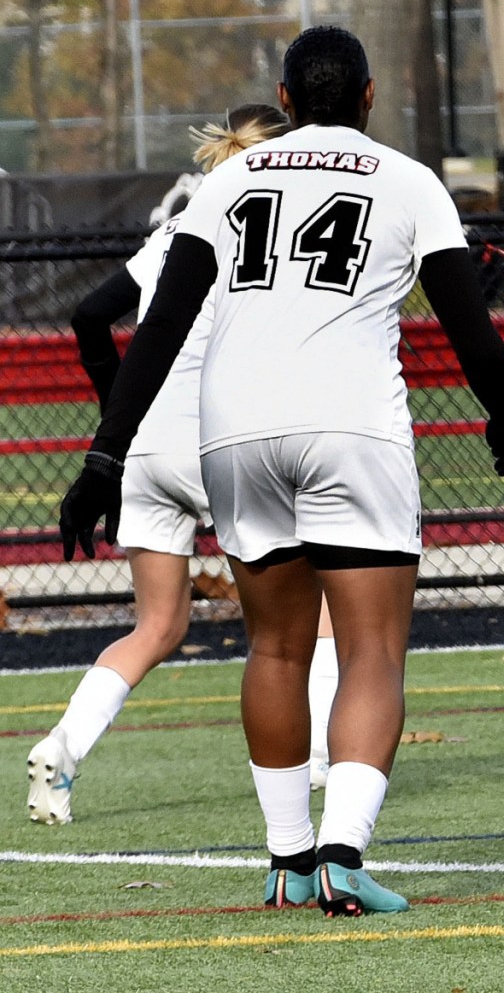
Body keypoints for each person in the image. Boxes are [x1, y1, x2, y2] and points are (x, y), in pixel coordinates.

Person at [57, 25, 504, 916]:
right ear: (369, 95)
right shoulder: (408, 179)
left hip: (235, 433)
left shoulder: (229, 179)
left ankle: (286, 863)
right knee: (371, 650)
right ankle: (344, 856)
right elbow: (466, 317)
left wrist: (104, 453)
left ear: (283, 96)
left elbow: (158, 324)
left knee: (274, 646)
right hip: (350, 426)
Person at [27, 104, 293, 826]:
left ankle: (63, 747)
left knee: (158, 625)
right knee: (306, 616)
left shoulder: (179, 225)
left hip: (141, 446)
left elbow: (90, 315)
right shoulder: (270, 231)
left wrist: (121, 420)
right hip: (219, 437)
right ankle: (325, 769)